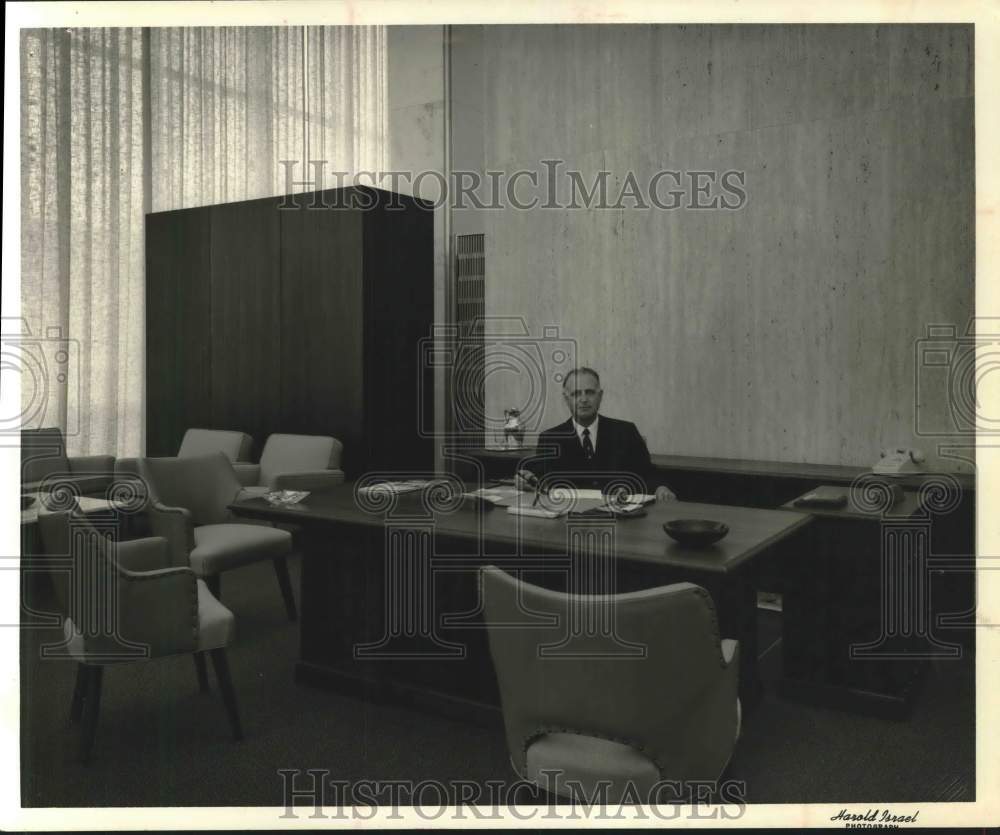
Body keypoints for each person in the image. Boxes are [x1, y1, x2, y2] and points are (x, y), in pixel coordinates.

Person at [519, 367, 676, 500]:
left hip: (620, 520)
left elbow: (648, 472)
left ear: (600, 396)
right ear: (566, 399)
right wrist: (526, 481)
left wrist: (660, 487)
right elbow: (538, 479)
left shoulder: (625, 432)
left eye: (589, 392)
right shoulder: (550, 438)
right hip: (568, 521)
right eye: (576, 394)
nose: (584, 399)